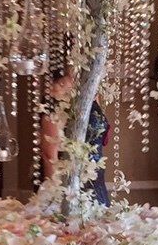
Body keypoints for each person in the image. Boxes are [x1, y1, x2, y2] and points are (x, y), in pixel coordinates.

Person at [41, 68, 111, 206]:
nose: (74, 78)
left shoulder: (90, 99)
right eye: (63, 81)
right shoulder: (55, 111)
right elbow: (50, 156)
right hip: (70, 181)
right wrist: (54, 196)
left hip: (96, 175)